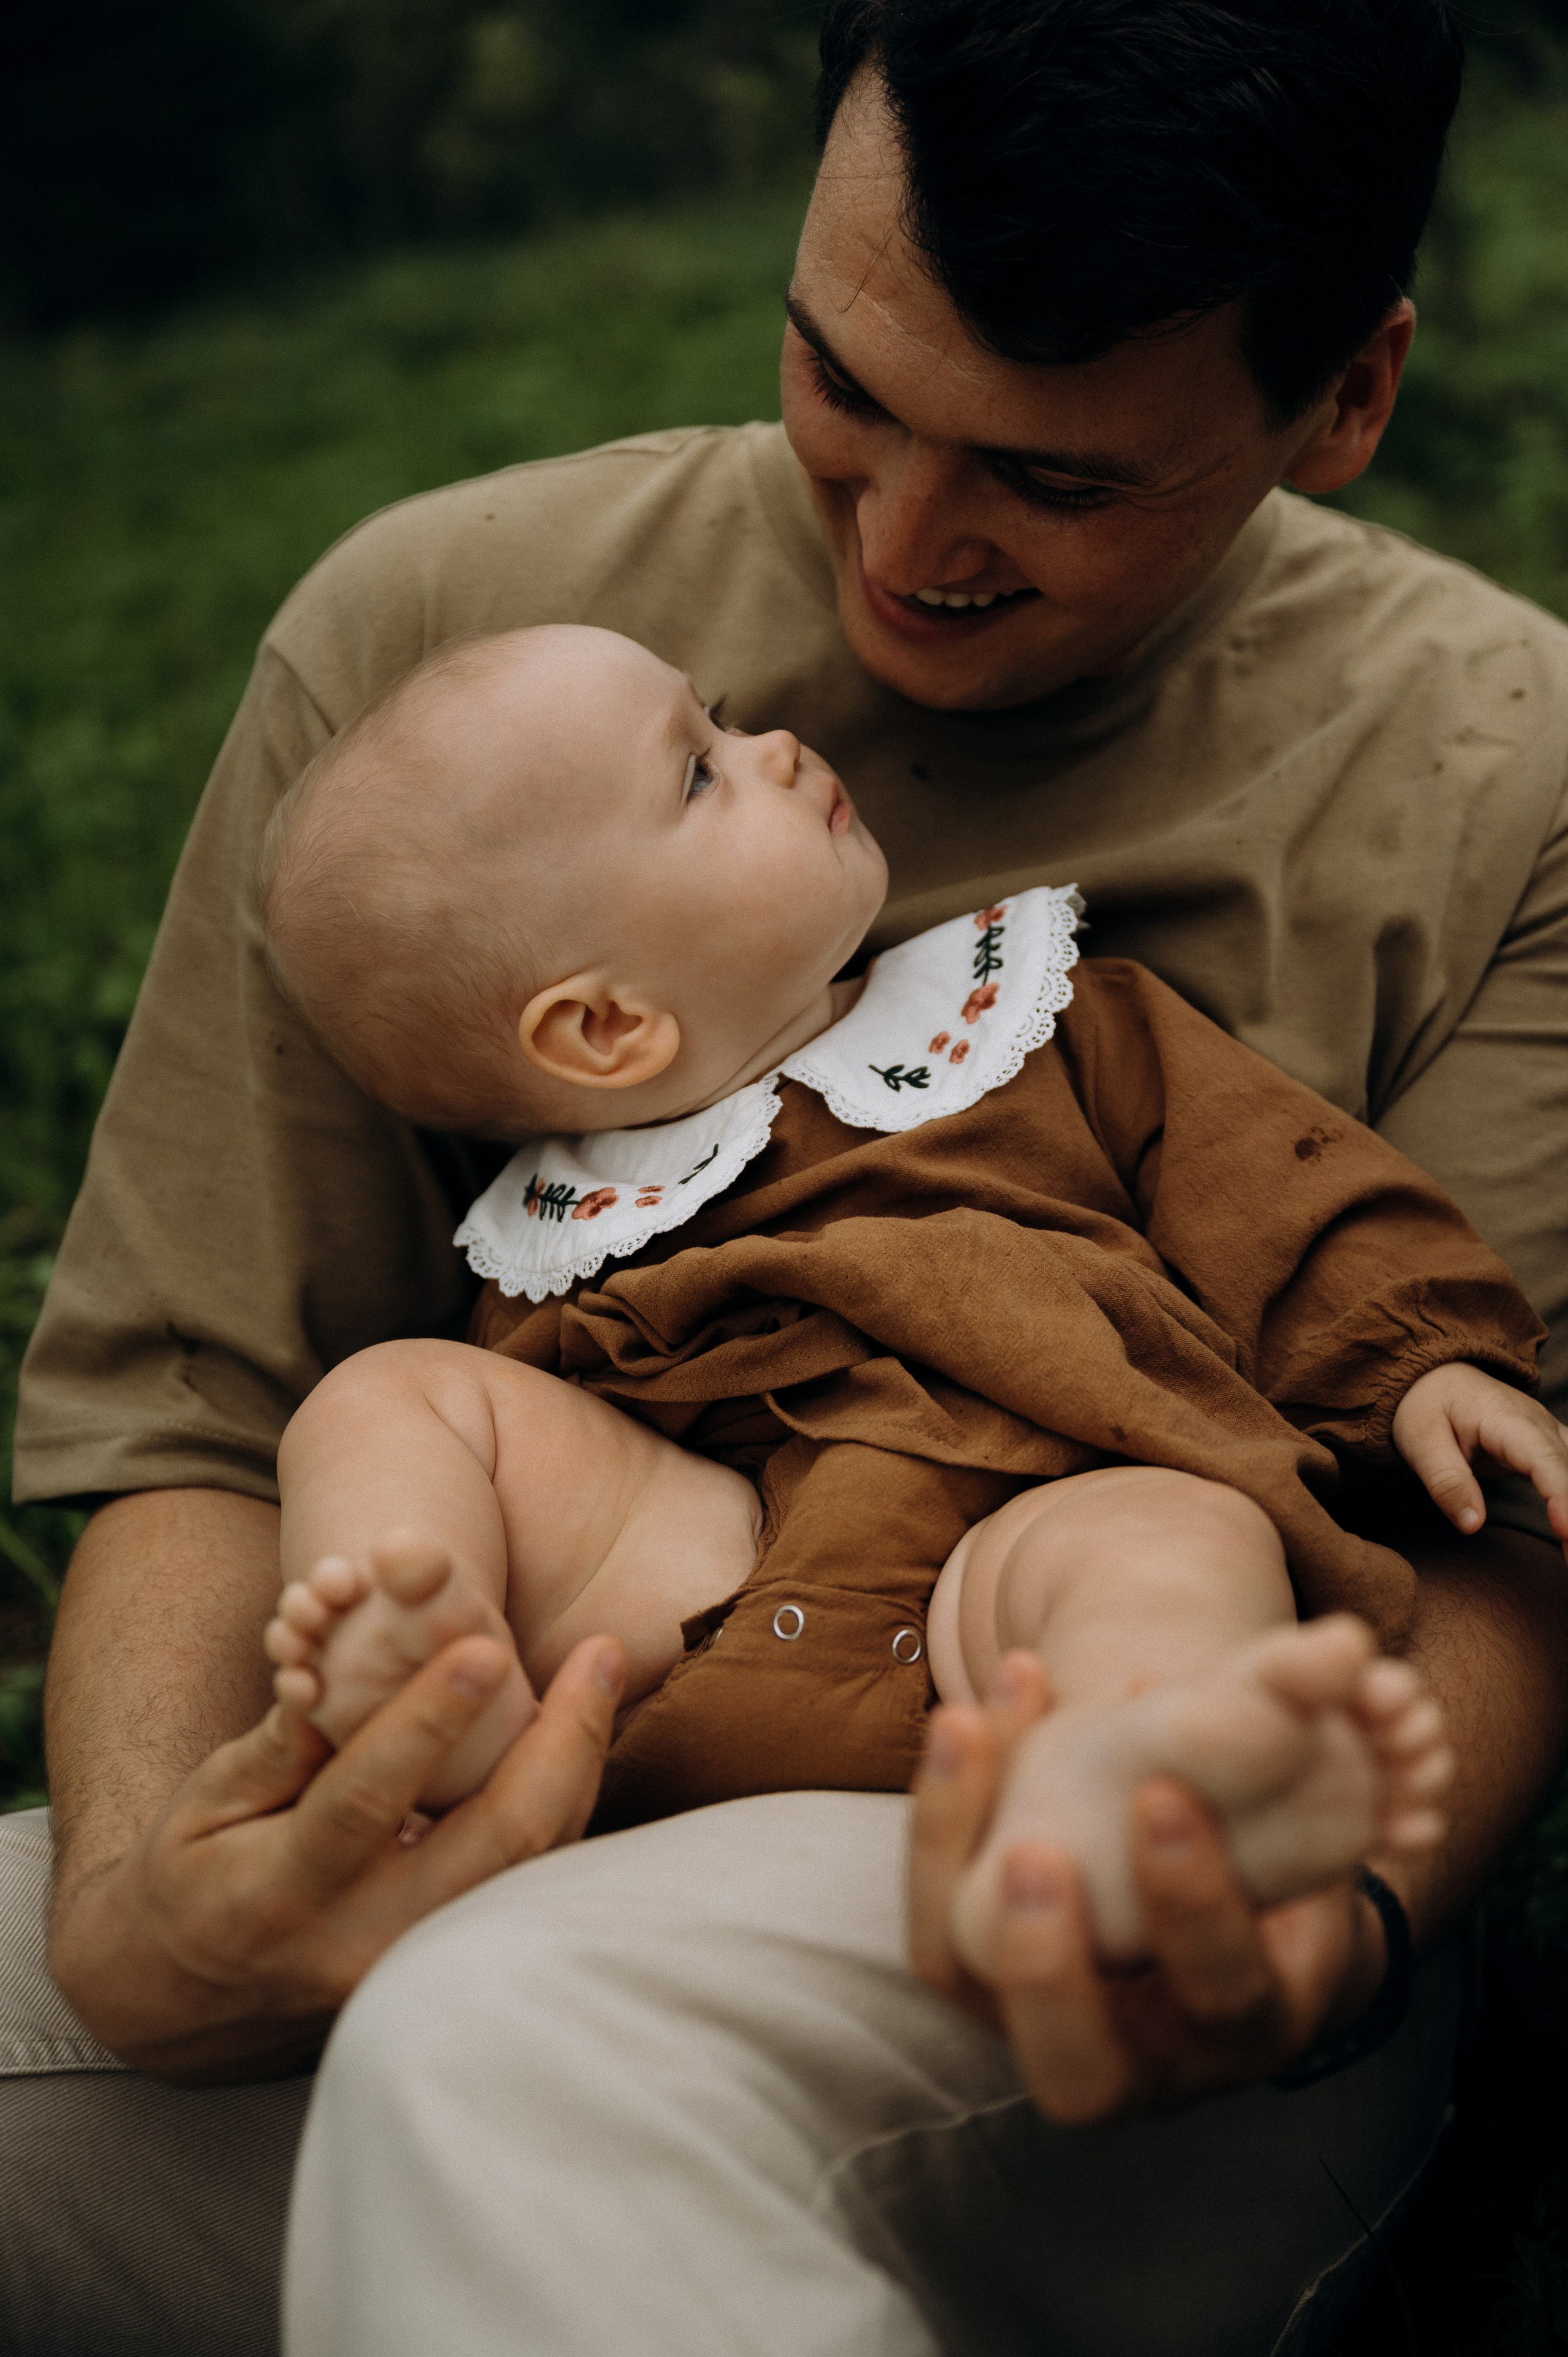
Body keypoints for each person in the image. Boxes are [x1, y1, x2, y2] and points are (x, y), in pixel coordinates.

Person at [7, 2, 1568, 2352]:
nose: (906, 545)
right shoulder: (445, 647)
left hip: (1067, 1836)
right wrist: (150, 1890)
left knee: (515, 2046)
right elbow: (215, 1400)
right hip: (602, 1694)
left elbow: (1513, 1519)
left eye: (1053, 476)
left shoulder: (1509, 777)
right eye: (845, 384)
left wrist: (1302, 1932)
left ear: (1347, 393)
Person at [256, 620, 1561, 1975]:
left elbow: (1277, 1186)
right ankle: (432, 1672)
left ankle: (1123, 1790)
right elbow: (549, 1427)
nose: (768, 743)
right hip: (709, 1564)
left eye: (717, 716)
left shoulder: (1026, 1015)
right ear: (604, 1030)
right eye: (698, 772)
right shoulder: (560, 1224)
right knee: (391, 1399)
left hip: (1023, 1512)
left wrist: (1417, 1358)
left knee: (1170, 1538)